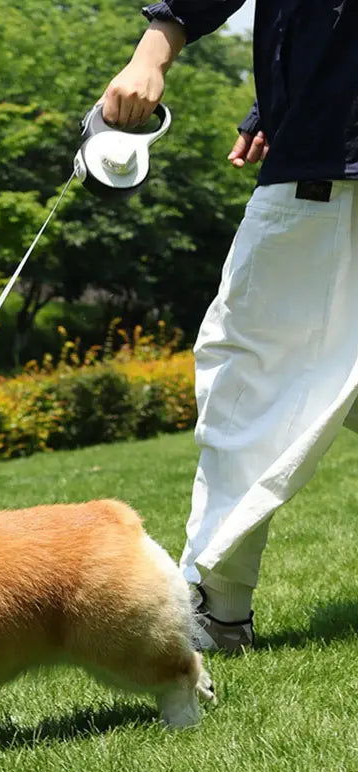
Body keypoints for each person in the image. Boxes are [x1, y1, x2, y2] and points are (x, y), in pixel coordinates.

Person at [101, 1, 358, 651]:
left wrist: (151, 51)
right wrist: (281, 104)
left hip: (329, 168)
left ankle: (217, 606)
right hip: (322, 141)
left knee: (248, 371)